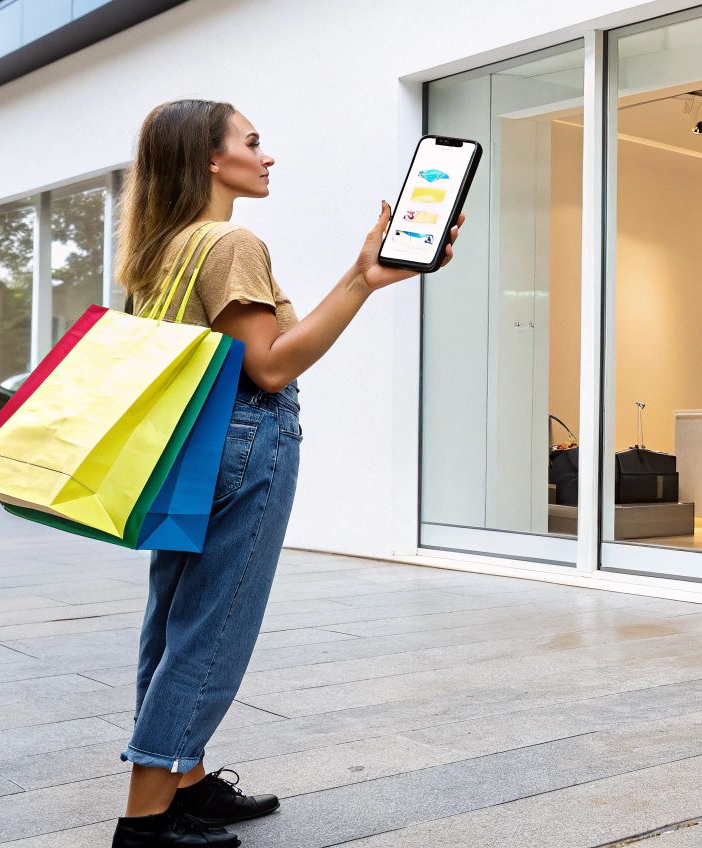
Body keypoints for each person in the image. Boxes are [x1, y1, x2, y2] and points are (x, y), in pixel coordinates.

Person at [110, 100, 463, 847]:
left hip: (189, 446)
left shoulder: (161, 246)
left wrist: (364, 270)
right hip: (244, 440)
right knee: (214, 626)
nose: (266, 156)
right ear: (211, 159)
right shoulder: (233, 241)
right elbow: (270, 366)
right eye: (252, 142)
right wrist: (363, 286)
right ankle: (145, 823)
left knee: (175, 620)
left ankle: (187, 784)